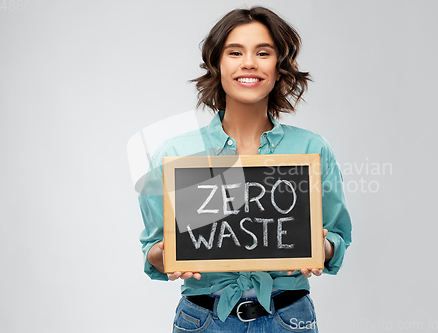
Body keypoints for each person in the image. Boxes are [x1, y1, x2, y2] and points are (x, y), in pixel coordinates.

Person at [139, 6, 352, 332]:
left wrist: (319, 248)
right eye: (235, 52)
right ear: (217, 64)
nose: (249, 62)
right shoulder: (178, 154)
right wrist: (166, 254)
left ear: (279, 67)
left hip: (288, 318)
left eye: (263, 52)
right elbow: (153, 249)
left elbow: (337, 236)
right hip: (204, 319)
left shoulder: (311, 150)